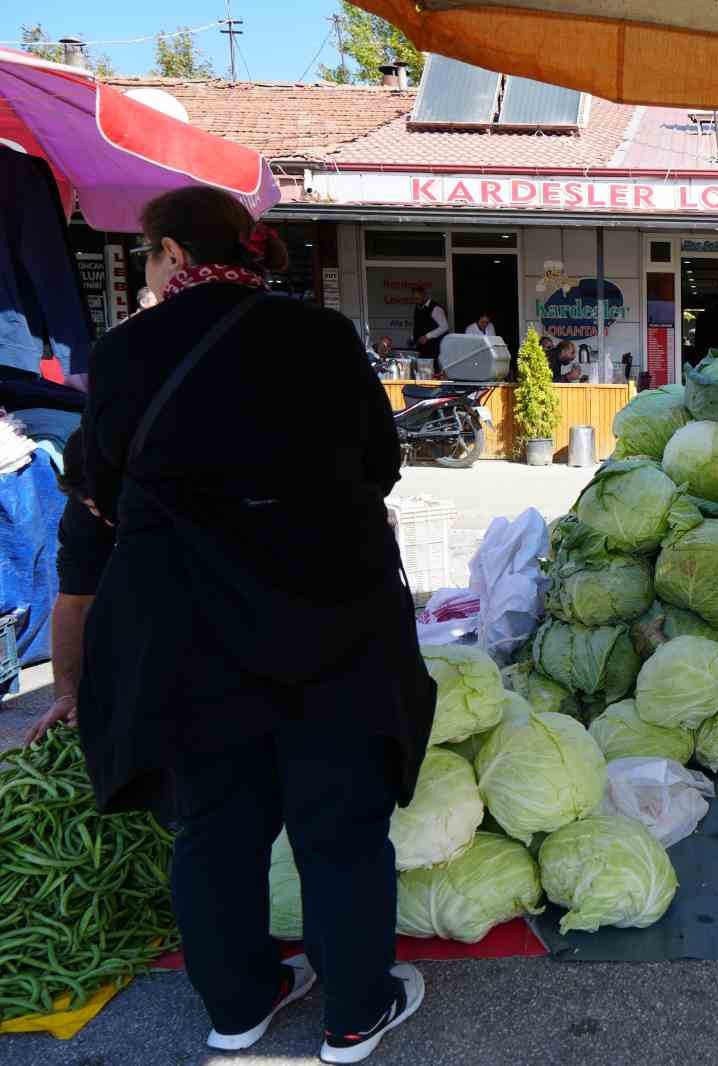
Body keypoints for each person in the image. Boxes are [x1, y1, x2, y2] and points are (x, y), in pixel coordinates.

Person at [77, 187, 435, 1062]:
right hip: (328, 613)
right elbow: (379, 463)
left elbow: (101, 487)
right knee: (340, 821)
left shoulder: (124, 353)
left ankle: (237, 1007)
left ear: (166, 253)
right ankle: (354, 1014)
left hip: (186, 628)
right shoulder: (319, 336)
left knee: (214, 826)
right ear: (250, 246)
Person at [22, 431, 114, 747]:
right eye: (88, 505)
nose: (97, 513)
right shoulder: (88, 508)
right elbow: (75, 601)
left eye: (100, 504)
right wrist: (66, 694)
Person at [410, 284, 448, 361]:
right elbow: (419, 325)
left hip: (434, 349)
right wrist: (413, 337)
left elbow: (445, 327)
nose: (415, 300)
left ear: (424, 296)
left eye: (417, 298)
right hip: (422, 349)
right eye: (414, 298)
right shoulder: (418, 307)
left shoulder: (435, 308)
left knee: (432, 370)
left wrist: (427, 336)